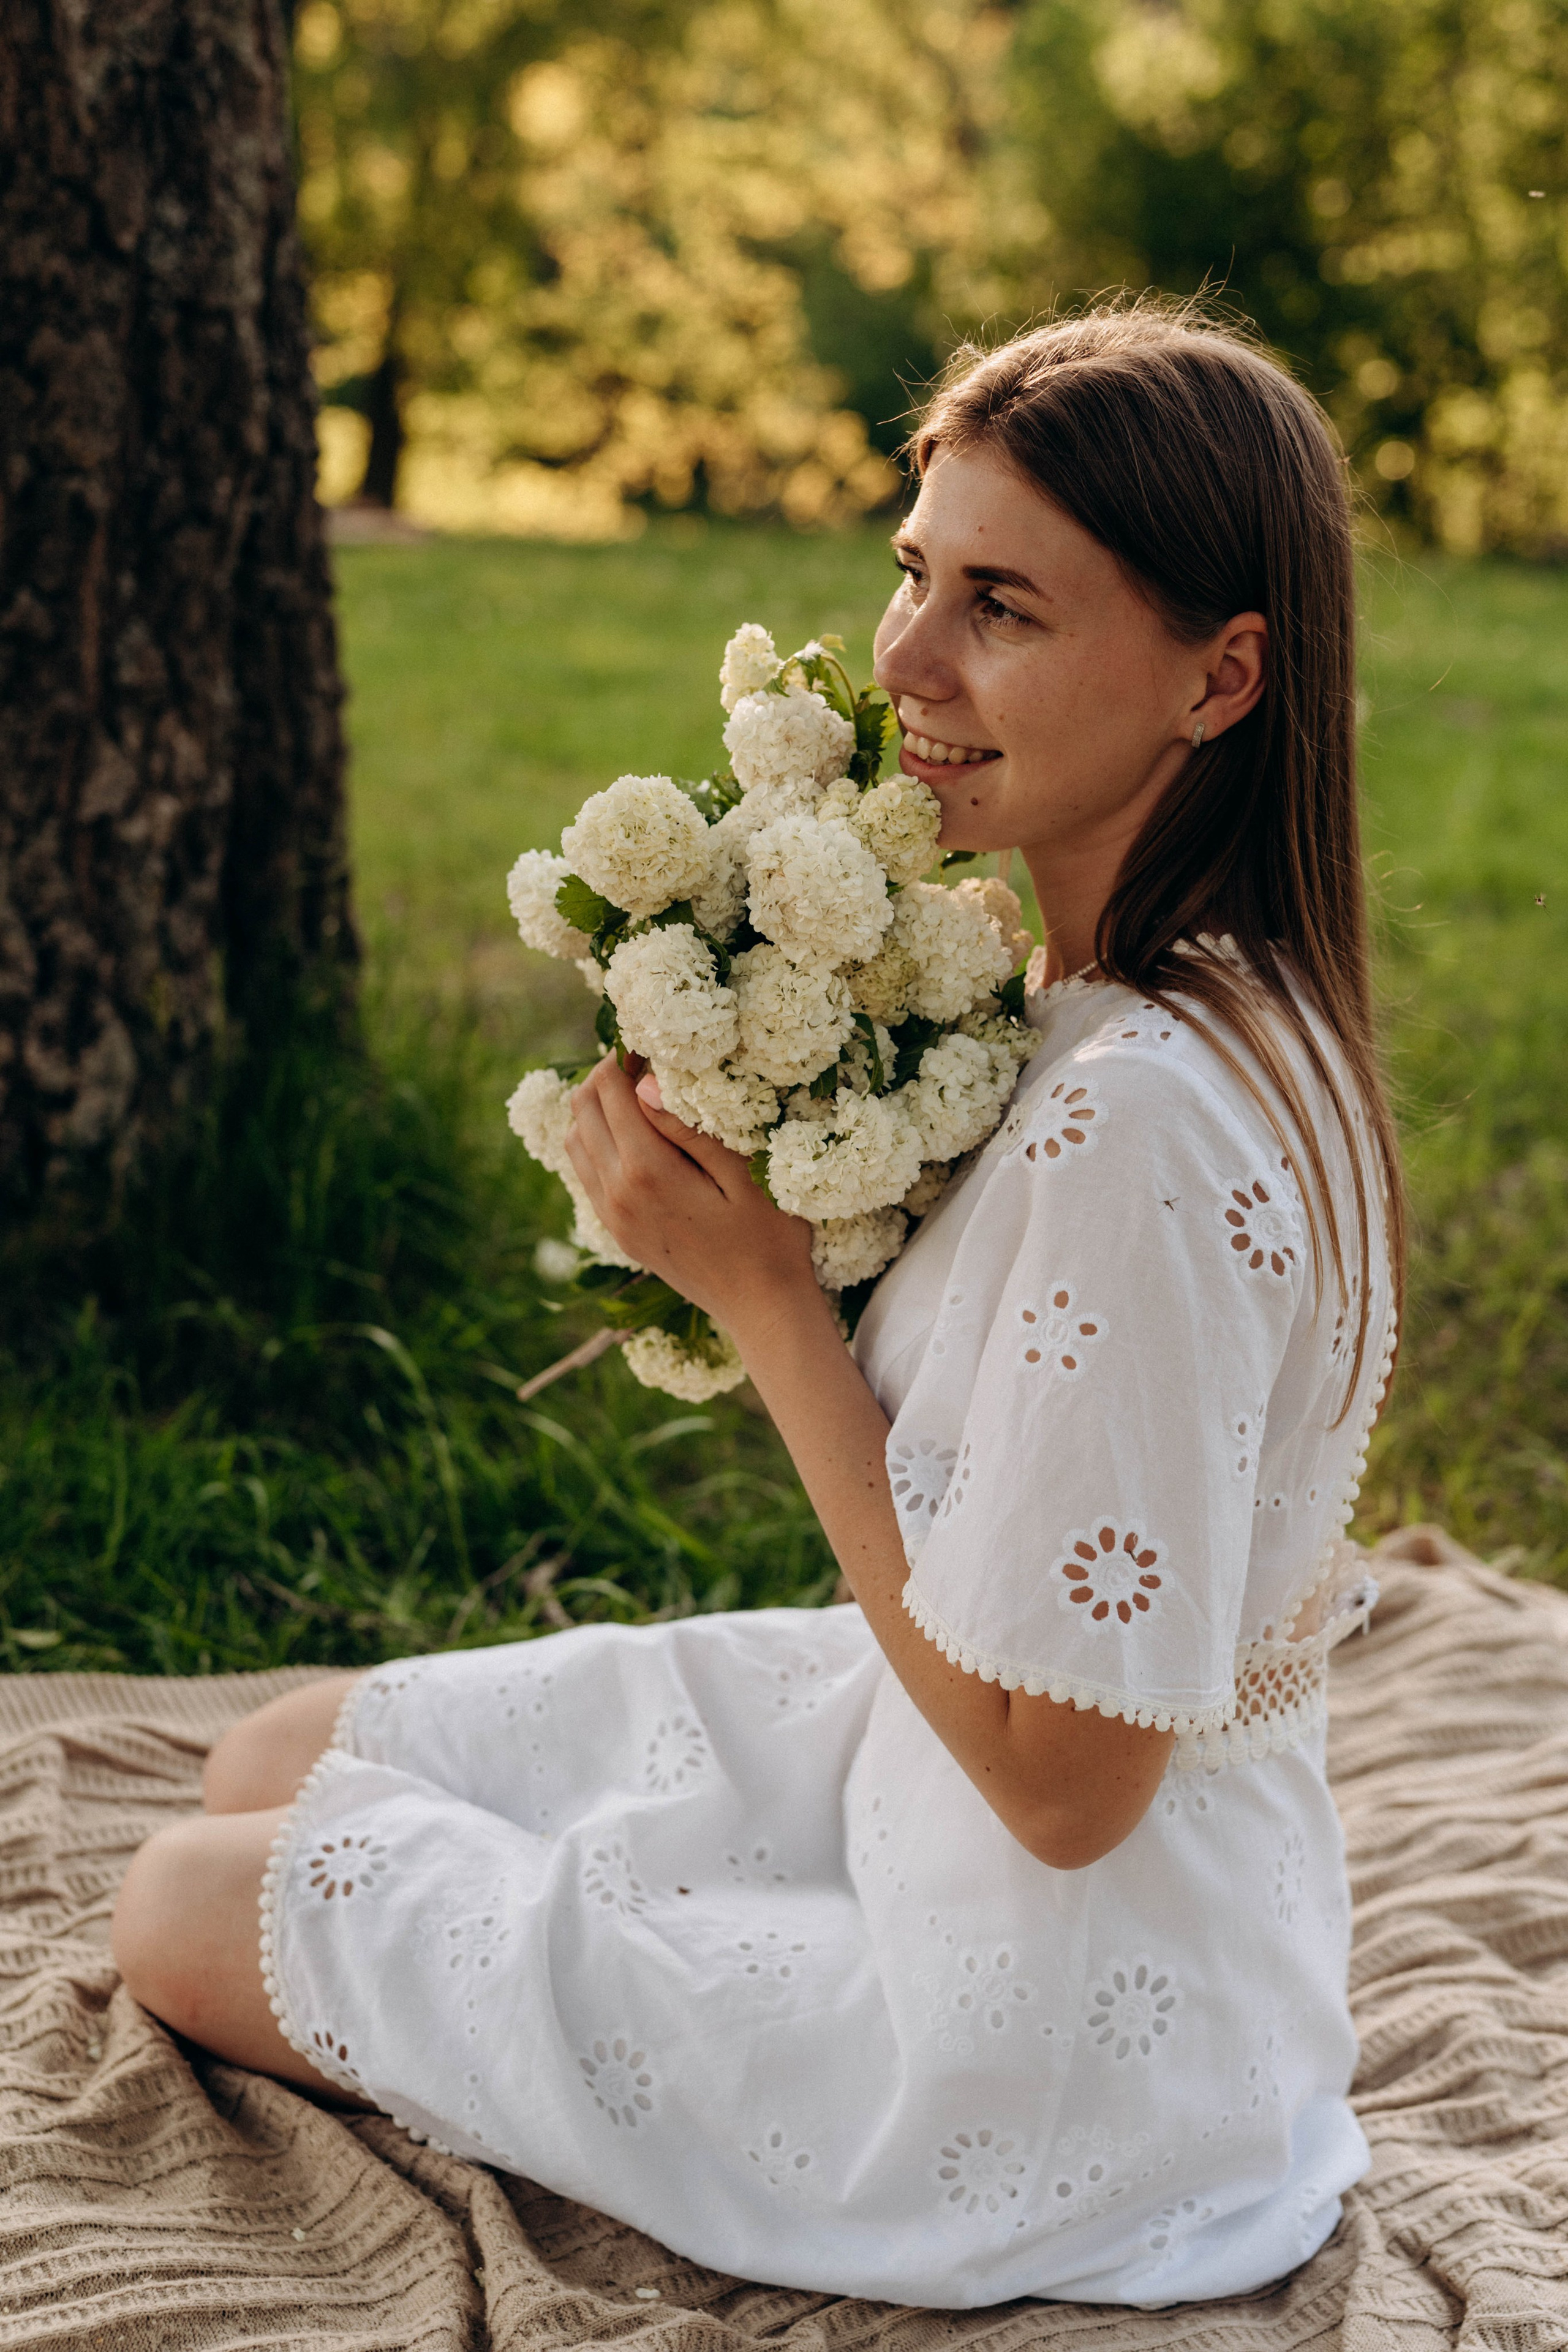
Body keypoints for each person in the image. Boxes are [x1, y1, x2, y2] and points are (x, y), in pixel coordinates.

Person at [113, 298, 1403, 2310]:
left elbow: (1068, 1794)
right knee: (272, 1754)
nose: (901, 665)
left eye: (1002, 606)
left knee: (190, 1906)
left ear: (1220, 678)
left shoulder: (1142, 1127)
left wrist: (771, 1305)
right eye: (913, 570)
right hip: (941, 1782)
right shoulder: (1162, 998)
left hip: (1042, 2040)